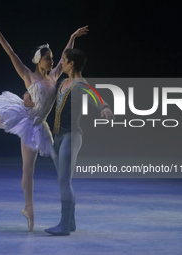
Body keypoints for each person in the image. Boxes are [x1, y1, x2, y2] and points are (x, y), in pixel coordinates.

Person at [0, 25, 89, 232]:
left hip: (38, 126)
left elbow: (66, 55)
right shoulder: (28, 75)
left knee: (28, 169)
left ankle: (28, 208)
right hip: (24, 116)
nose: (53, 61)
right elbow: (11, 53)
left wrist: (72, 37)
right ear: (38, 60)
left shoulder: (55, 76)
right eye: (48, 58)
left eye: (53, 58)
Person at [25, 48, 114, 235]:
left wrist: (104, 107)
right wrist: (27, 96)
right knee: (62, 180)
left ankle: (64, 224)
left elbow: (94, 95)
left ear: (71, 63)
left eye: (64, 60)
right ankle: (71, 222)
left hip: (72, 135)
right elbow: (41, 94)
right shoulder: (63, 82)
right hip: (58, 136)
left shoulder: (80, 84)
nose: (61, 62)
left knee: (64, 180)